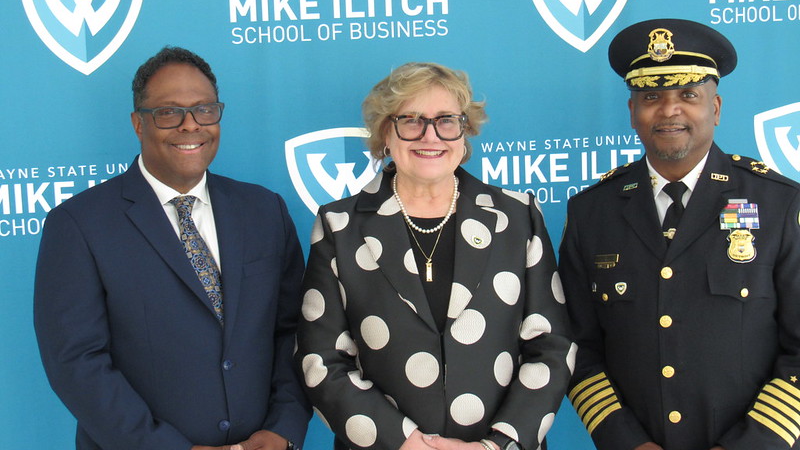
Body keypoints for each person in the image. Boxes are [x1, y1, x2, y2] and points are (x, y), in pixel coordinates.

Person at [33, 46, 311, 450]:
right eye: (168, 112)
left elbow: (293, 331)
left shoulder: (264, 210)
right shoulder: (78, 225)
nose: (190, 125)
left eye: (204, 109)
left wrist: (283, 428)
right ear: (138, 123)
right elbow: (76, 363)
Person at [295, 62, 574, 450]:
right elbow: (321, 360)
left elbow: (552, 345)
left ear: (465, 131)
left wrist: (495, 446)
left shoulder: (516, 216)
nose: (430, 136)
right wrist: (406, 443)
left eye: (446, 121)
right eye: (411, 120)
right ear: (385, 132)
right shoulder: (340, 225)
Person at [558, 19, 800, 450]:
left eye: (689, 95)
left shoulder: (779, 205)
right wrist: (628, 442)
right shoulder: (591, 212)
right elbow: (578, 347)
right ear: (632, 112)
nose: (669, 110)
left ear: (716, 109)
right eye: (651, 96)